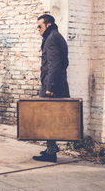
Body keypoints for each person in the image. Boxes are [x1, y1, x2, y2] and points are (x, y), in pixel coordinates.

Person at [32, 13, 70, 162]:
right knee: (50, 117)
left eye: (40, 26)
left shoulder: (52, 38)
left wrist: (50, 86)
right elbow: (63, 63)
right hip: (55, 84)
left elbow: (55, 64)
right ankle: (50, 148)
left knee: (49, 118)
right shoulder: (55, 36)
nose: (38, 29)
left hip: (52, 86)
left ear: (48, 25)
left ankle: (51, 151)